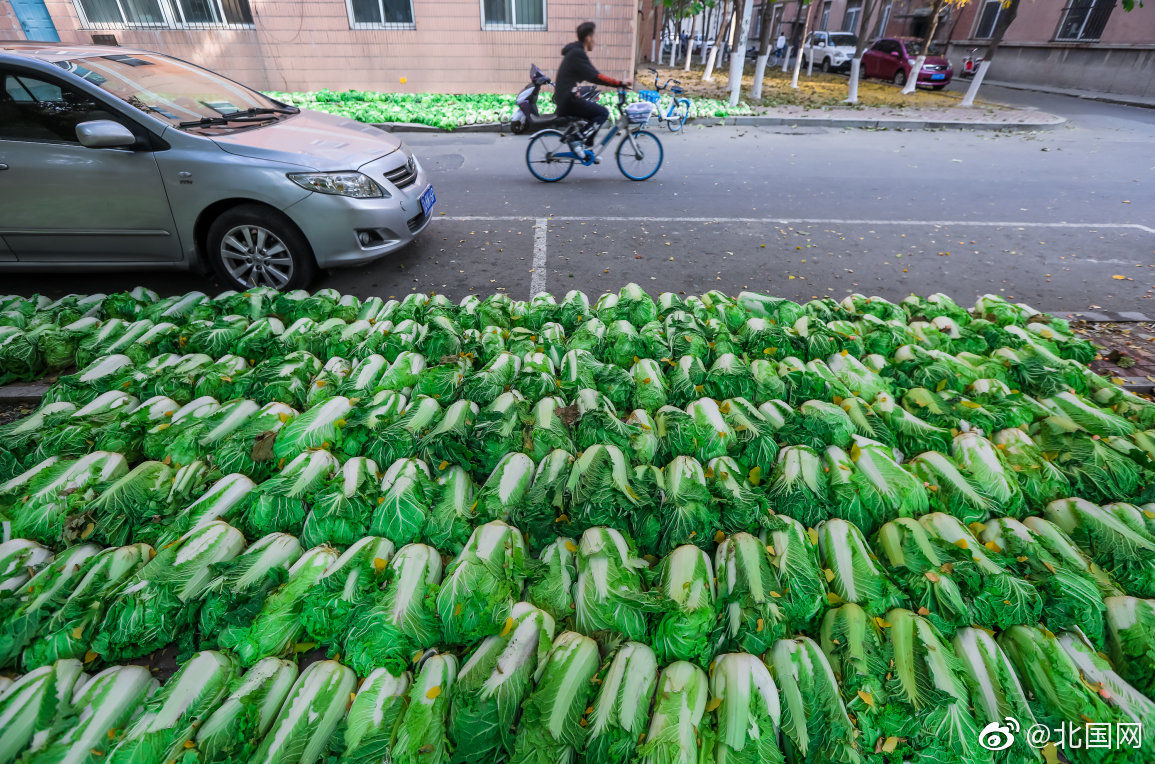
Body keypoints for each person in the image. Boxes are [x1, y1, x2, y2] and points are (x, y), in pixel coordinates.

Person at [554, 21, 632, 156]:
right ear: (588, 38)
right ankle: (576, 138)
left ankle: (588, 148)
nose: (595, 41)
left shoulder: (575, 52)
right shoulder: (577, 54)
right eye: (594, 37)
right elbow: (596, 77)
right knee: (602, 113)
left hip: (567, 98)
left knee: (594, 112)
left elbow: (590, 75)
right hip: (568, 101)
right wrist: (620, 83)